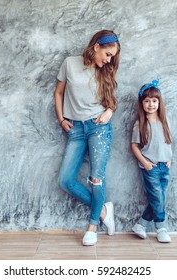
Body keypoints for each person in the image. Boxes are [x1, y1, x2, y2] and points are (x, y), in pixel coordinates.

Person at [54, 30, 121, 246]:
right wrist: (61, 119)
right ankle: (103, 210)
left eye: (112, 56)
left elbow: (111, 101)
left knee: (96, 178)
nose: (109, 59)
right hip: (75, 130)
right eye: (108, 54)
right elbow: (58, 93)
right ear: (96, 47)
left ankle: (93, 226)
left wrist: (109, 112)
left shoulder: (106, 71)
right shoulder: (70, 64)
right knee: (65, 180)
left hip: (98, 128)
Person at [130, 80, 173, 243]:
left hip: (164, 166)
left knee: (158, 198)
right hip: (150, 167)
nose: (151, 104)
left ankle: (141, 225)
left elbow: (168, 141)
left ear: (159, 102)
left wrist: (169, 158)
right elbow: (134, 146)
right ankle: (161, 227)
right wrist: (145, 163)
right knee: (158, 197)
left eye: (154, 101)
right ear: (142, 103)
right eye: (147, 101)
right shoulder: (140, 124)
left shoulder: (165, 121)